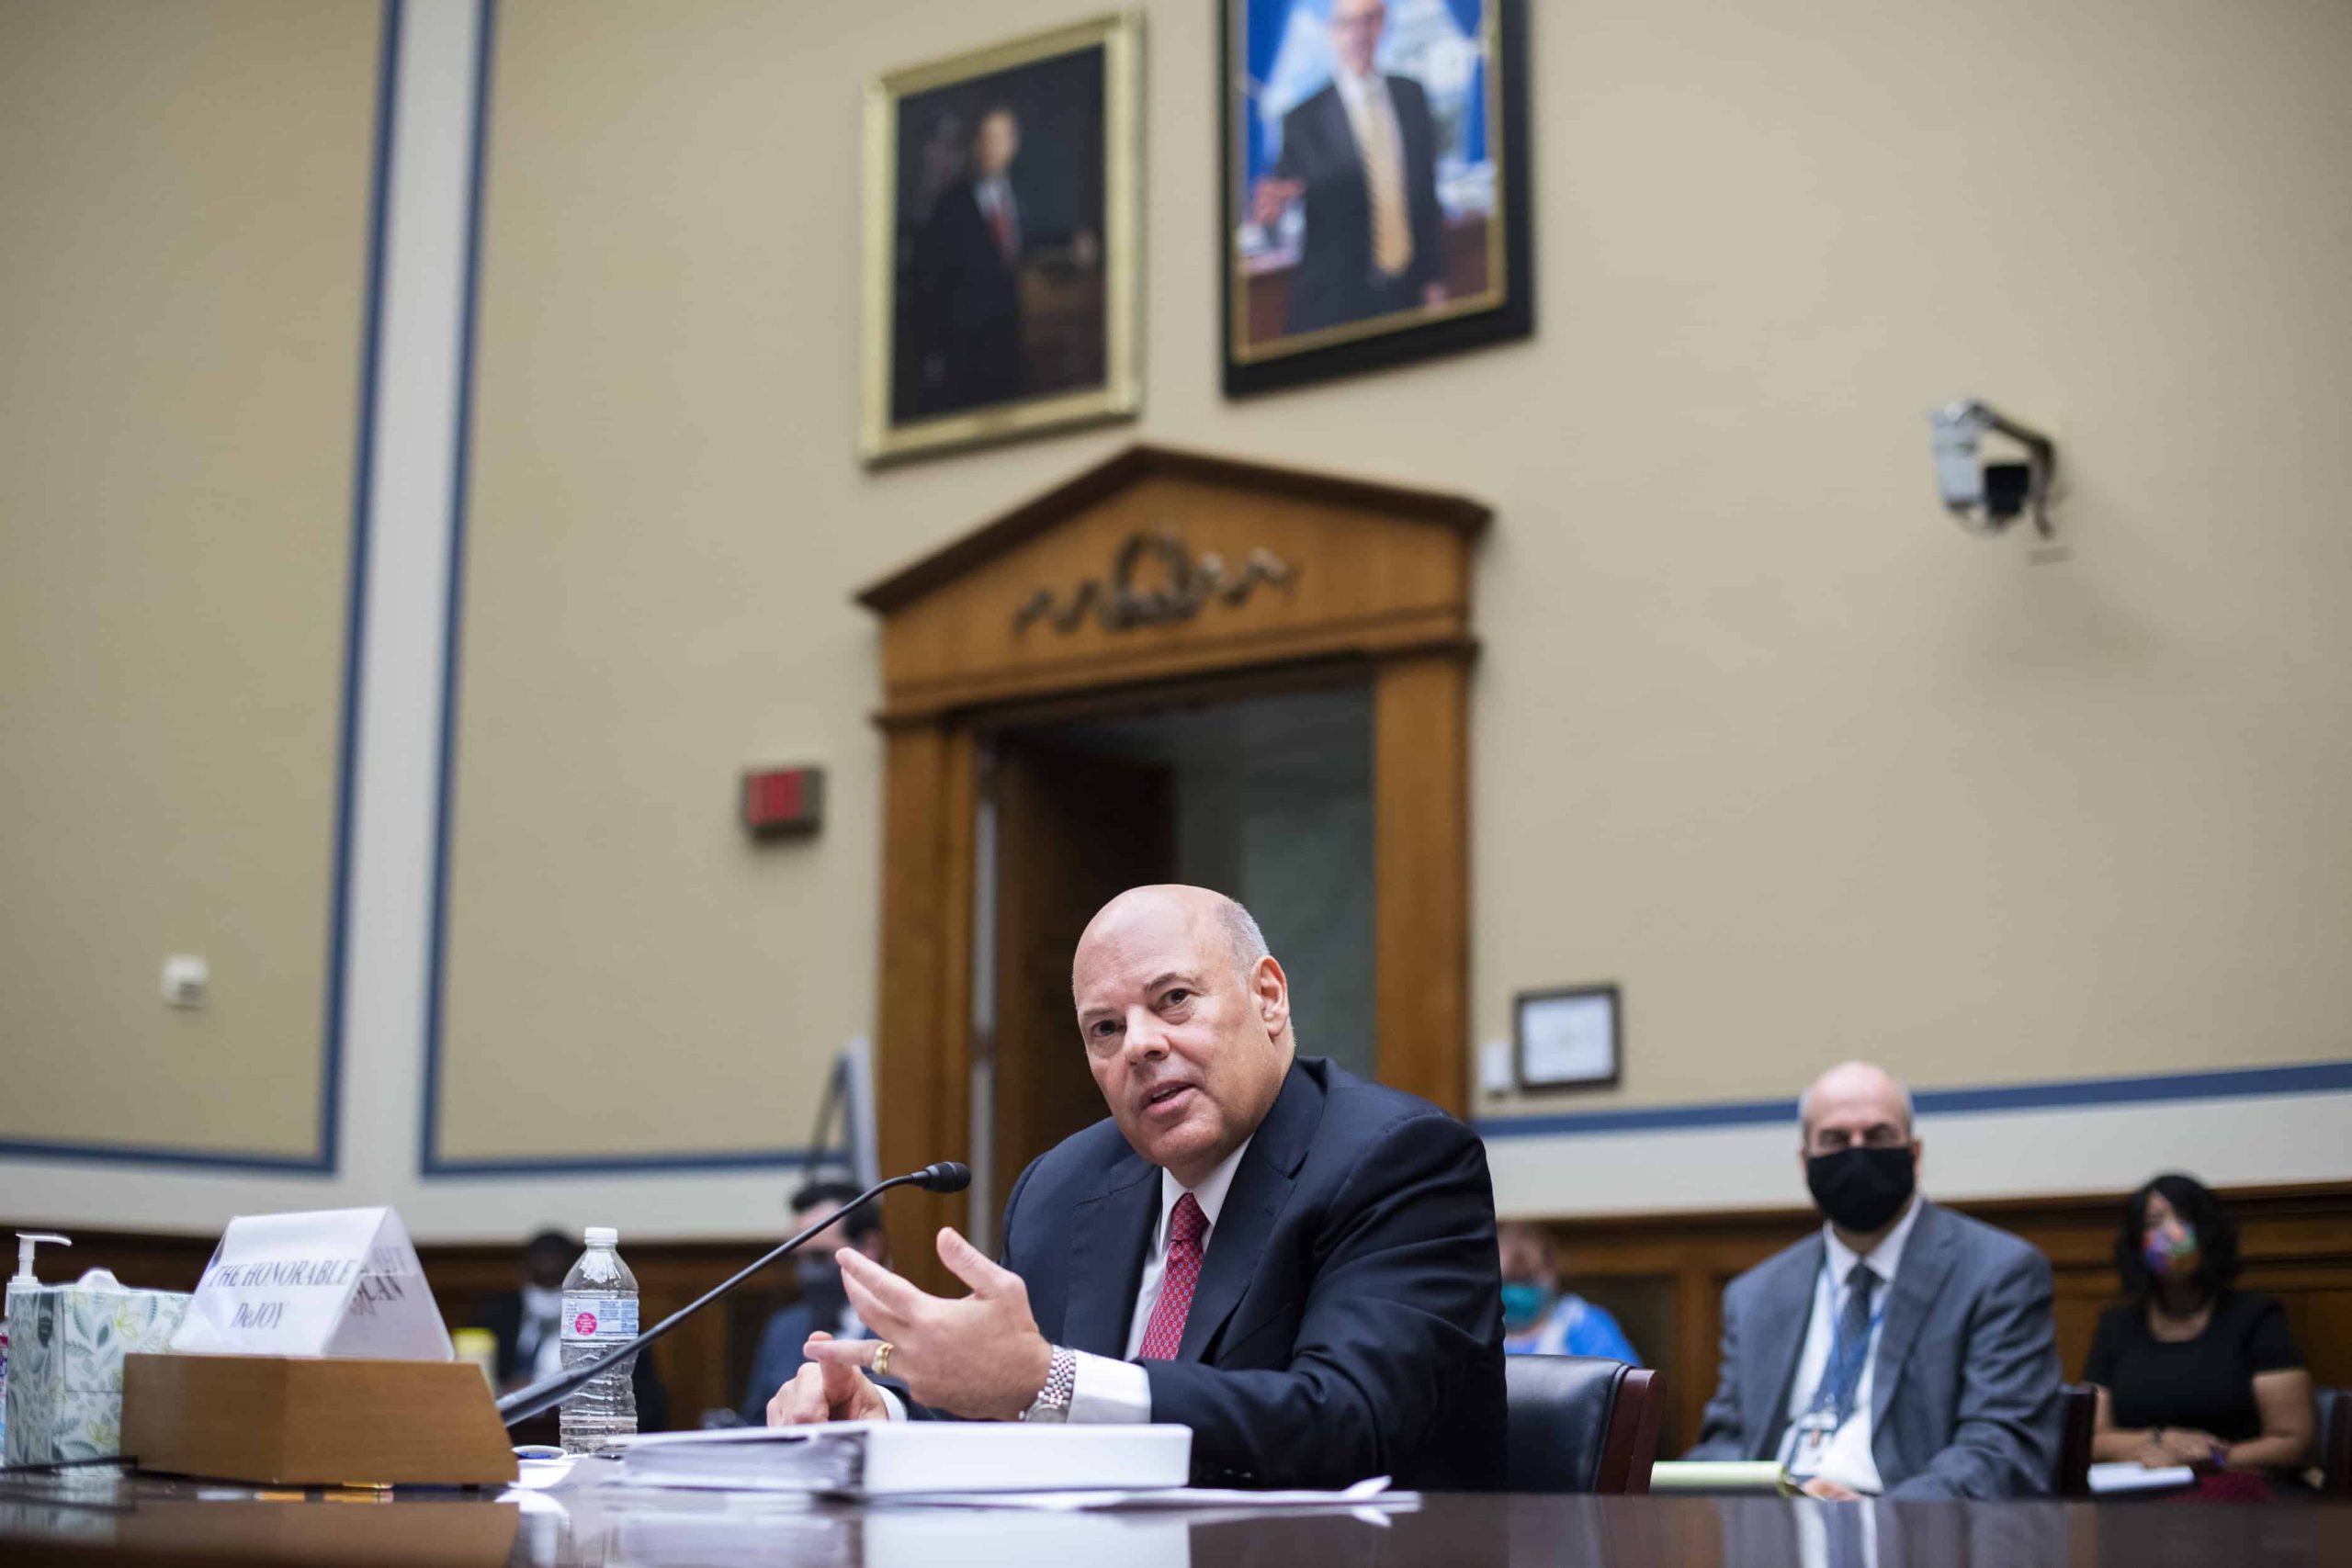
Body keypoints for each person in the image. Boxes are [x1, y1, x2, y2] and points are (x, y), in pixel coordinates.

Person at [764, 884, 1507, 1490]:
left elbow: (1349, 1422)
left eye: (1175, 998)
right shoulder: (1062, 1189)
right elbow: (1021, 1415)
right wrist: (881, 1420)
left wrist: (1048, 1376)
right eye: (1106, 1028)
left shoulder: (1396, 1159)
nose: (1142, 1044)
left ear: (1270, 997)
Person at [1684, 1061, 2061, 1499]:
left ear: (1915, 1154)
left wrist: (1878, 1519)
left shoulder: (1998, 1273)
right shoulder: (1755, 1295)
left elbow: (2001, 1452)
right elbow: (1726, 1445)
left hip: (1908, 1532)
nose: (1857, 1152)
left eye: (1878, 1136)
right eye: (1835, 1140)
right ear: (1806, 1161)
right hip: (1771, 1529)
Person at [2085, 1173, 2315, 1492]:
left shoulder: (2256, 1316)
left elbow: (2293, 1440)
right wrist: (2160, 1441)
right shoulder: (2116, 1325)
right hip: (2140, 1489)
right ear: (2137, 1240)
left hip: (2240, 1489)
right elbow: (2093, 1438)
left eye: (2183, 1218)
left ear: (2208, 1231)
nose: (2171, 1232)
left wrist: (2211, 1460)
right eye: (2155, 1222)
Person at [1251, 0, 1446, 336]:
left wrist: (1434, 280)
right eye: (1347, 24)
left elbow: (1426, 198)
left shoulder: (1411, 96)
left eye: (1369, 20)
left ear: (1383, 24)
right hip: (1336, 307)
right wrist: (1271, 217)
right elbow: (1276, 216)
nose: (1358, 34)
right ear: (1332, 33)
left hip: (1407, 295)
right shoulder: (1302, 119)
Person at [469, 1228, 669, 1433]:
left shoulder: (611, 1322)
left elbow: (650, 1406)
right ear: (524, 1272)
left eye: (557, 1280)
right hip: (507, 1435)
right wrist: (506, 1392)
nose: (548, 1292)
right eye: (541, 1281)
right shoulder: (493, 1317)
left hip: (581, 1436)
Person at [737, 1180, 892, 1424]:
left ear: (869, 1247)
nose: (805, 1273)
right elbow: (754, 1421)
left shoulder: (905, 1327)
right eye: (798, 1259)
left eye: (819, 1257)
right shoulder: (784, 1328)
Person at [910, 105, 1028, 413]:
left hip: (1015, 347)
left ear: (1013, 144)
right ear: (976, 144)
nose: (992, 148)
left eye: (1000, 139)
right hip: (966, 353)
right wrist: (933, 351)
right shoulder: (950, 205)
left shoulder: (1024, 197)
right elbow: (930, 283)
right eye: (986, 139)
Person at [1497, 1220, 1641, 1363]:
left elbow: (1625, 1381)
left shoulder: (1582, 1325)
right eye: (1509, 1280)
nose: (1517, 1292)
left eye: (1527, 1279)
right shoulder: (1483, 1332)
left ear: (1551, 1274)